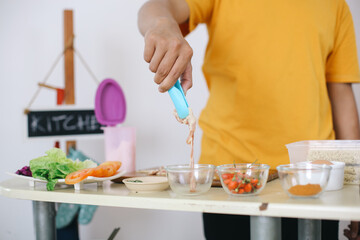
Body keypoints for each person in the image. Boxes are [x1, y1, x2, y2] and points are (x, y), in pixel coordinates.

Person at [137, 0, 360, 239]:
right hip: (229, 177)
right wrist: (161, 24)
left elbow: (341, 94)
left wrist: (356, 188)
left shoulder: (336, 5)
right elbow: (160, 6)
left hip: (313, 178)